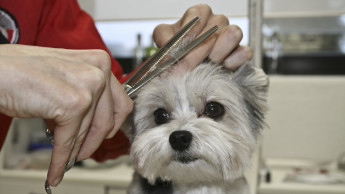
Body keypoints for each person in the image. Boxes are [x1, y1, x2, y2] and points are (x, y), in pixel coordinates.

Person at [0, 0, 252, 188]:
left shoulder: (46, 5)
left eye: (212, 111)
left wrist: (160, 68)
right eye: (162, 115)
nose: (180, 131)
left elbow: (106, 99)